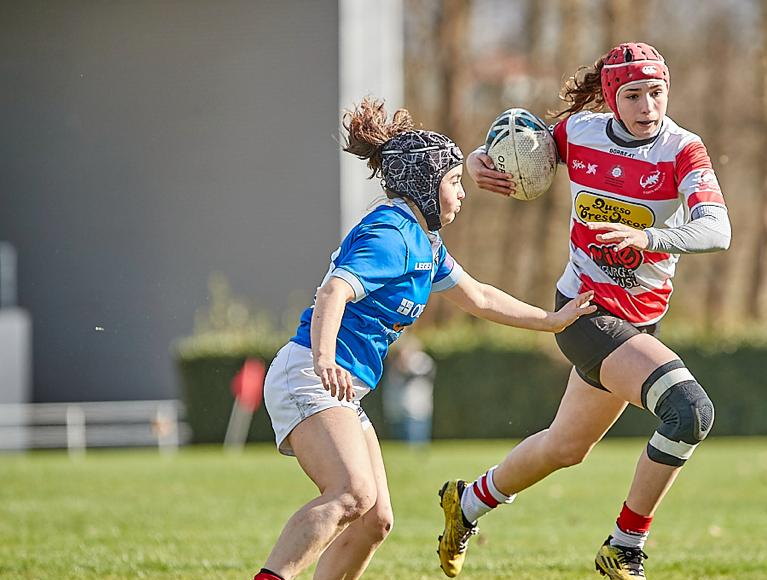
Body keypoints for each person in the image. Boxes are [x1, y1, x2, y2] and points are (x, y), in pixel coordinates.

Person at [252, 97, 596, 580]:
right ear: (425, 184)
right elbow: (333, 292)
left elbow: (478, 297)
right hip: (310, 372)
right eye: (454, 181)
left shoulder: (424, 242)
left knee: (375, 521)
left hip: (334, 382)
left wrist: (550, 320)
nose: (462, 192)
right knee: (352, 494)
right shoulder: (391, 234)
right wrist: (326, 358)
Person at [437, 42, 731, 580]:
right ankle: (625, 546)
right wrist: (474, 162)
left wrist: (649, 236)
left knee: (565, 446)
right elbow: (516, 149)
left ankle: (467, 502)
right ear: (613, 99)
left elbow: (718, 229)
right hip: (583, 310)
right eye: (634, 94)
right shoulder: (579, 132)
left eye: (657, 92)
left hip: (638, 320)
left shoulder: (683, 149)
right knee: (689, 412)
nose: (648, 106)